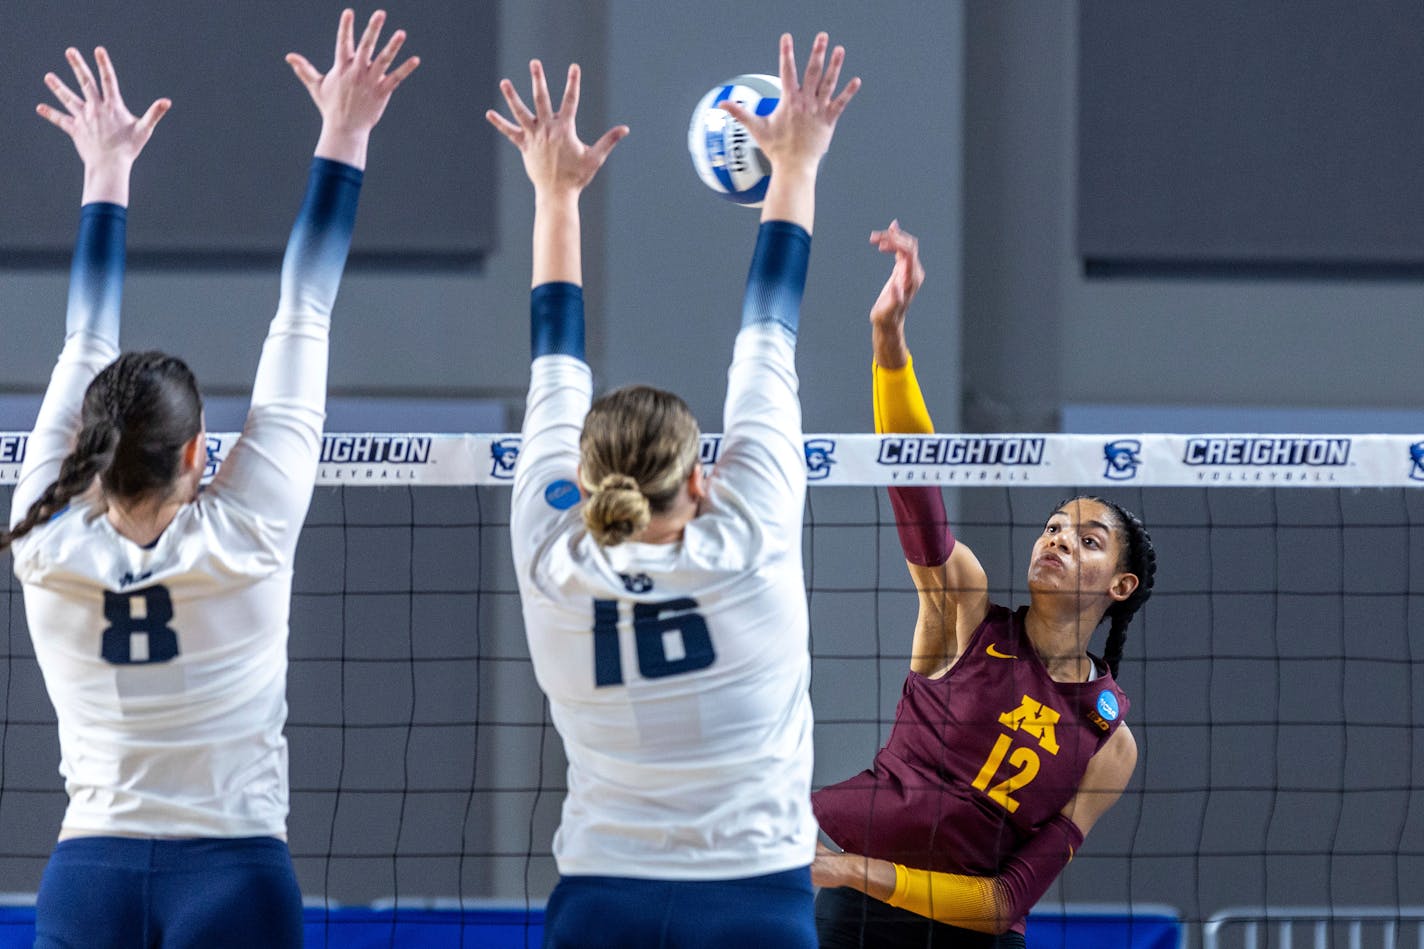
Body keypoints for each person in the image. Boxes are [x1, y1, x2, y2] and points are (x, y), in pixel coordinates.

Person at [7, 12, 417, 947]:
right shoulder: (248, 530)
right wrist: (345, 132)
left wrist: (102, 170)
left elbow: (84, 340)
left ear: (91, 451)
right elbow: (304, 308)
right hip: (231, 874)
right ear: (201, 453)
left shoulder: (42, 536)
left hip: (89, 877)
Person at [487, 32, 858, 949]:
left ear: (583, 478)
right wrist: (796, 164)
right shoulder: (751, 535)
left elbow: (551, 358)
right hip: (752, 905)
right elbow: (768, 328)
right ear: (702, 477)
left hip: (604, 905)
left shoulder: (550, 551)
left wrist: (554, 193)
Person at [810, 223, 1157, 947]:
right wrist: (888, 345)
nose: (1058, 538)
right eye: (1053, 526)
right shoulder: (964, 610)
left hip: (960, 929)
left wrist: (861, 874)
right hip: (855, 919)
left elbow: (1006, 900)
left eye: (1086, 539)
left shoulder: (1109, 739)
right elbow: (916, 491)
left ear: (1120, 585)